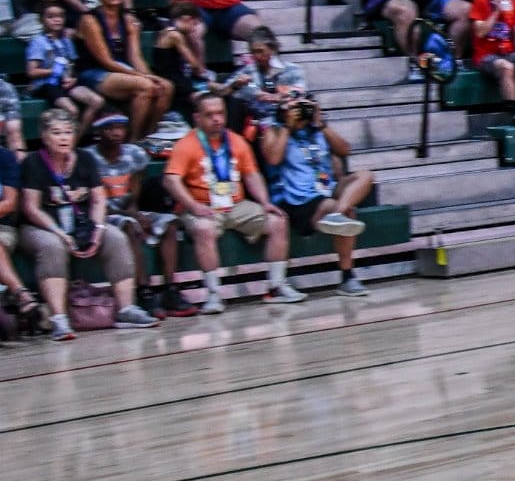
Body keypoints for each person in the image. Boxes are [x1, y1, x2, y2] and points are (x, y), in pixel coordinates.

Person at [17, 110, 158, 338]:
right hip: (40, 227)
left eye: (68, 132)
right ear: (44, 136)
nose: (63, 138)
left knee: (116, 237)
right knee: (52, 246)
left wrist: (98, 228)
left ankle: (126, 309)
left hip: (80, 224)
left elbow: (98, 199)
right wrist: (60, 233)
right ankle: (59, 319)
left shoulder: (85, 158)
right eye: (56, 133)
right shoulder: (33, 162)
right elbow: (30, 208)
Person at [164, 93, 303, 311]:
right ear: (197, 118)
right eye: (210, 115)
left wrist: (264, 202)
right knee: (203, 228)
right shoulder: (186, 144)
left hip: (236, 205)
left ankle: (275, 288)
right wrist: (193, 206)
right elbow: (171, 180)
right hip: (203, 206)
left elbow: (251, 175)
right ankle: (213, 295)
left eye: (220, 113)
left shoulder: (236, 141)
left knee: (277, 221)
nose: (217, 119)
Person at [260, 89, 372, 297]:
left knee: (365, 176)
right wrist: (288, 126)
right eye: (294, 106)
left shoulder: (318, 130)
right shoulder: (274, 131)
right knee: (348, 213)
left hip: (326, 190)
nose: (300, 110)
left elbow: (345, 150)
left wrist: (321, 124)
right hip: (297, 200)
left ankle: (338, 213)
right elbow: (273, 159)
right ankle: (347, 276)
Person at [89, 112, 196, 319]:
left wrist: (137, 213)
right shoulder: (89, 158)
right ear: (99, 132)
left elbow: (134, 192)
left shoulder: (134, 153)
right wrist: (134, 216)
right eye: (109, 128)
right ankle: (144, 291)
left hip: (130, 209)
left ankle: (171, 290)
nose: (115, 133)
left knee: (170, 222)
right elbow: (97, 202)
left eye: (119, 128)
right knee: (129, 225)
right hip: (102, 215)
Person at [76, 0, 174, 137]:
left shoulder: (128, 20)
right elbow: (106, 61)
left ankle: (147, 135)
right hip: (94, 72)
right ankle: (133, 140)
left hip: (123, 70)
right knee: (145, 86)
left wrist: (150, 76)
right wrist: (143, 78)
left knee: (165, 87)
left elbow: (135, 57)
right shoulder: (89, 20)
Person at [25, 1, 103, 121]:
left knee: (97, 101)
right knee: (72, 110)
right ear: (41, 20)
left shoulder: (66, 41)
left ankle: (78, 136)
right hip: (46, 84)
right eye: (51, 17)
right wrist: (55, 71)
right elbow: (32, 72)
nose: (57, 20)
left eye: (60, 16)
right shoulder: (38, 42)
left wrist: (73, 78)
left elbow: (72, 66)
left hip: (65, 83)